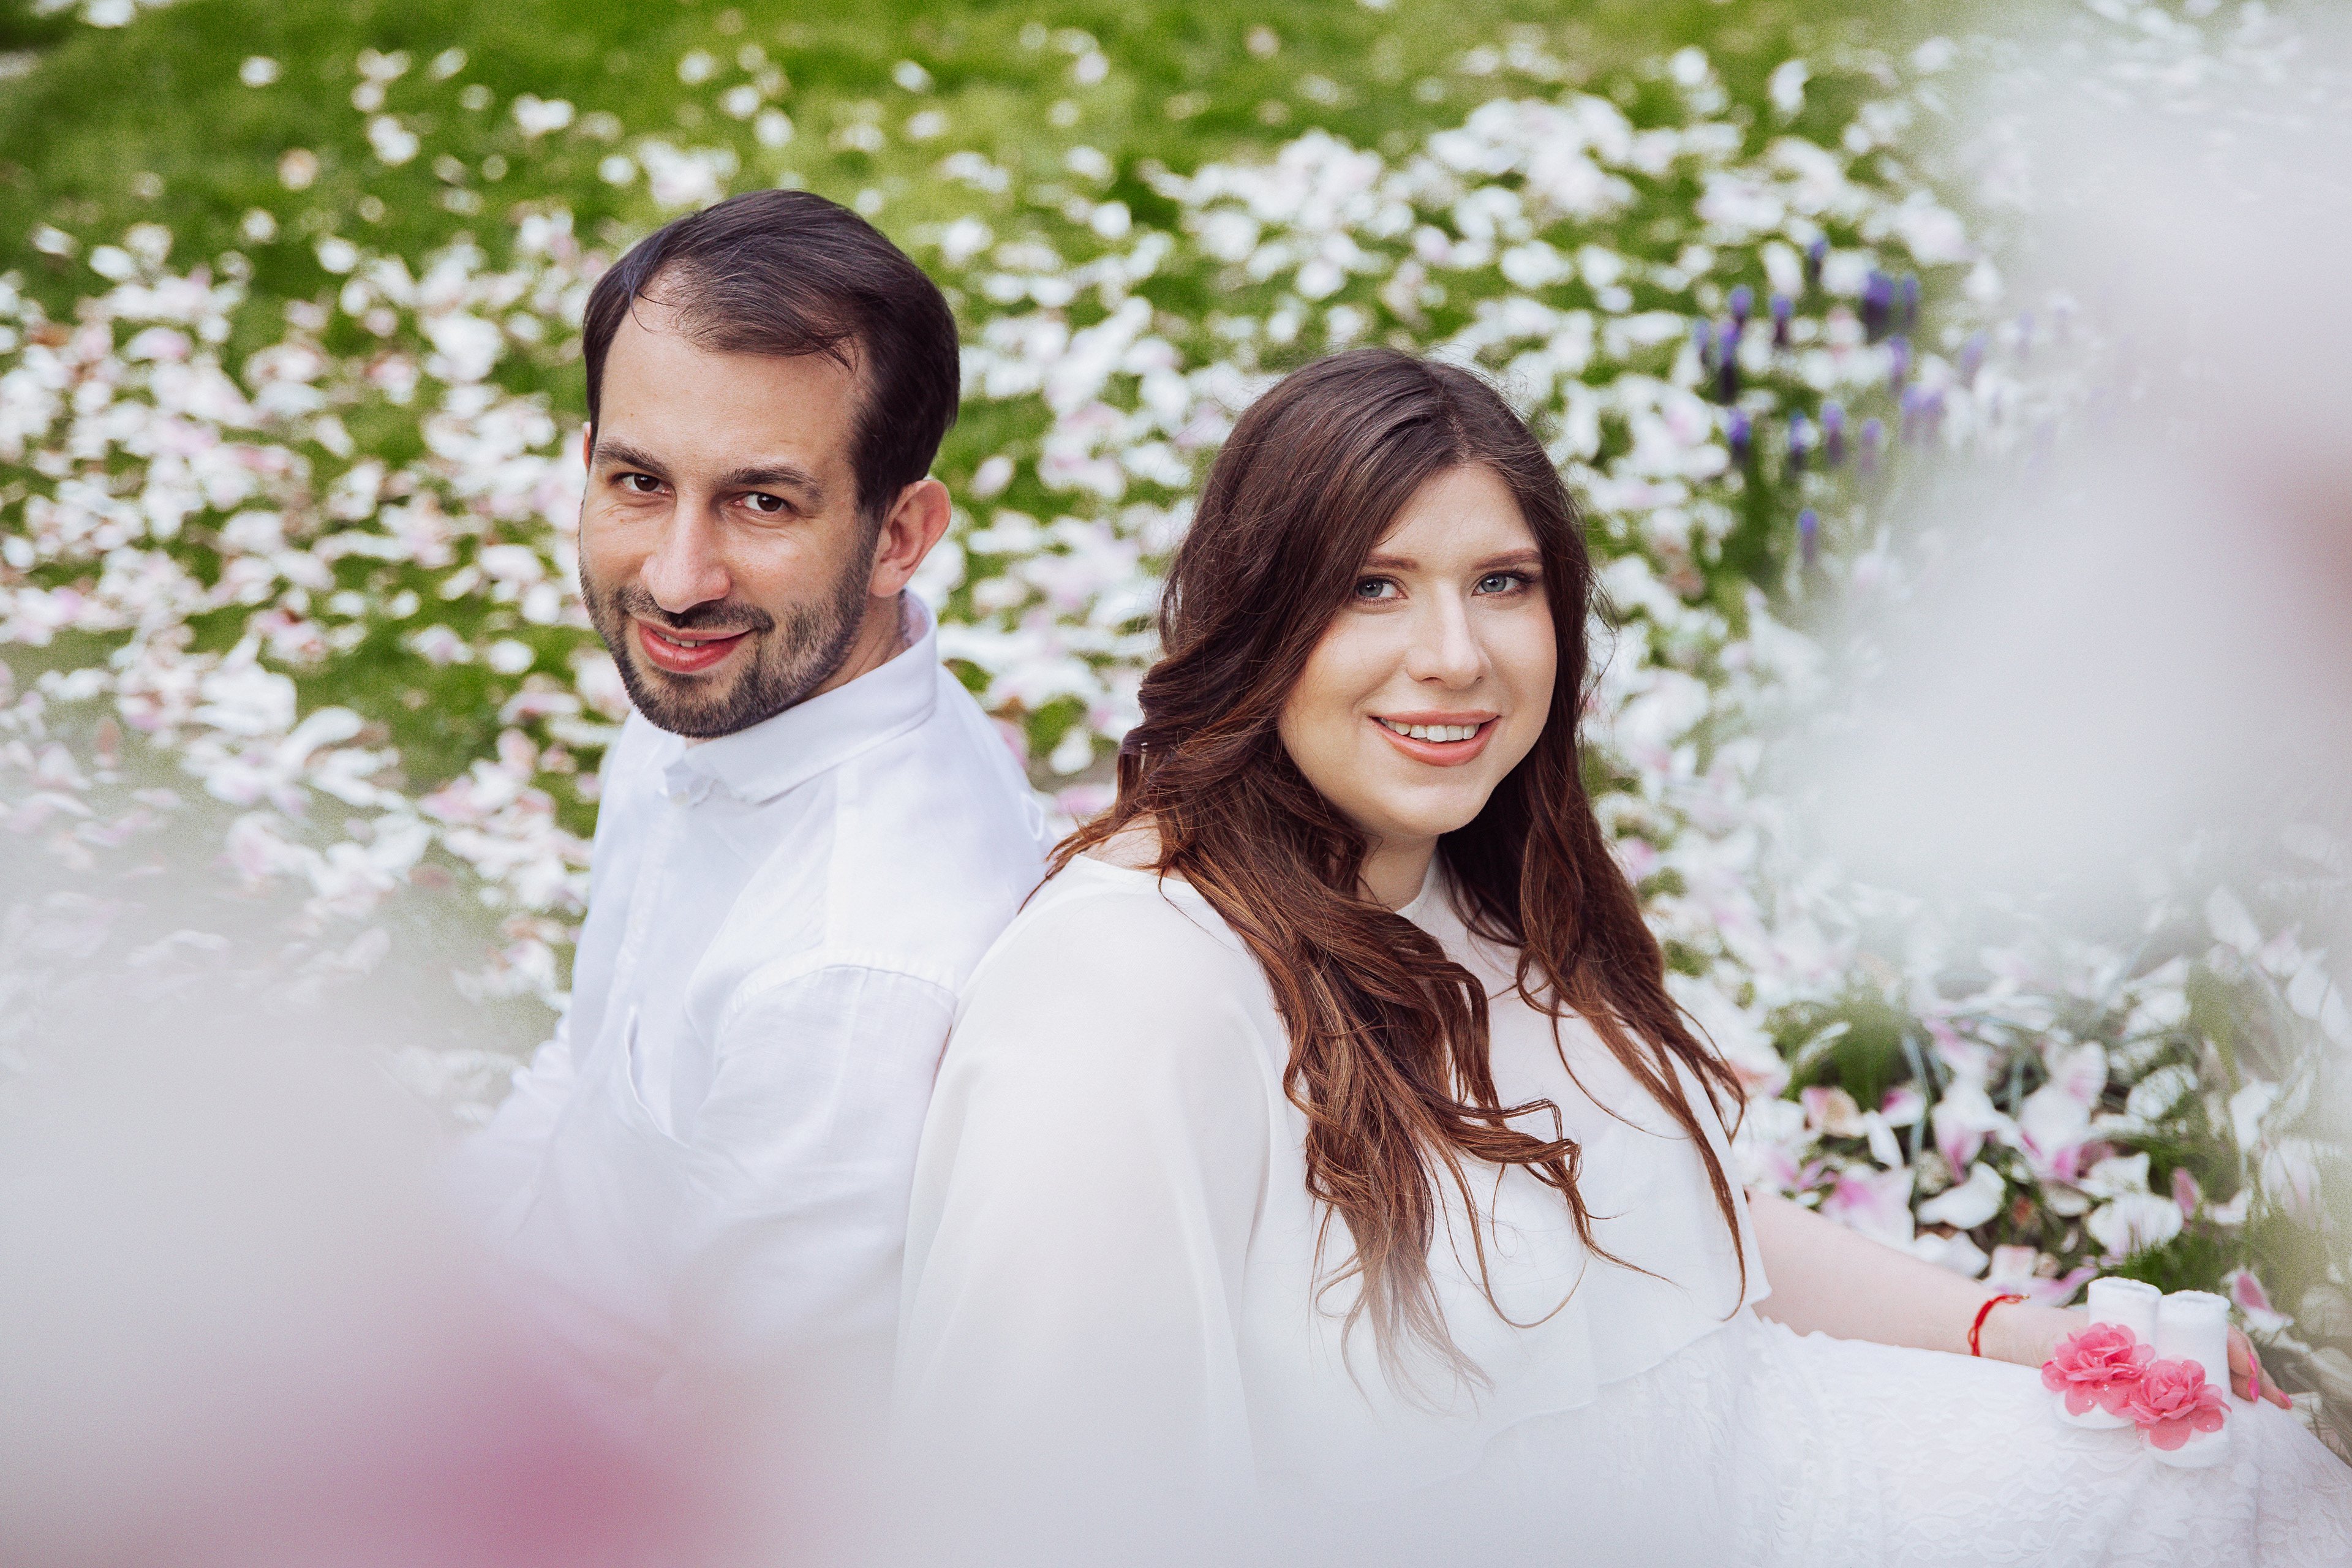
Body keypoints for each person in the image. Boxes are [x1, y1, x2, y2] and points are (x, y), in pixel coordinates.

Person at [892, 349, 2351, 1566]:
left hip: (1785, 1456)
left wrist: (2016, 1328)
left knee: (2224, 1478)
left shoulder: (1470, 874)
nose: (1456, 654)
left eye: (1503, 582)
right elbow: (1042, 1506)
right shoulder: (1130, 993)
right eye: (1373, 586)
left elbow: (1651, 1223)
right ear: (1255, 617)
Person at [465, 190, 1047, 1442]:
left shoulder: (846, 976)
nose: (677, 580)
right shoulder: (732, 693)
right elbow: (589, 1065)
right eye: (639, 482)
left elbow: (746, 1451)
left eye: (764, 502)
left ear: (900, 534)